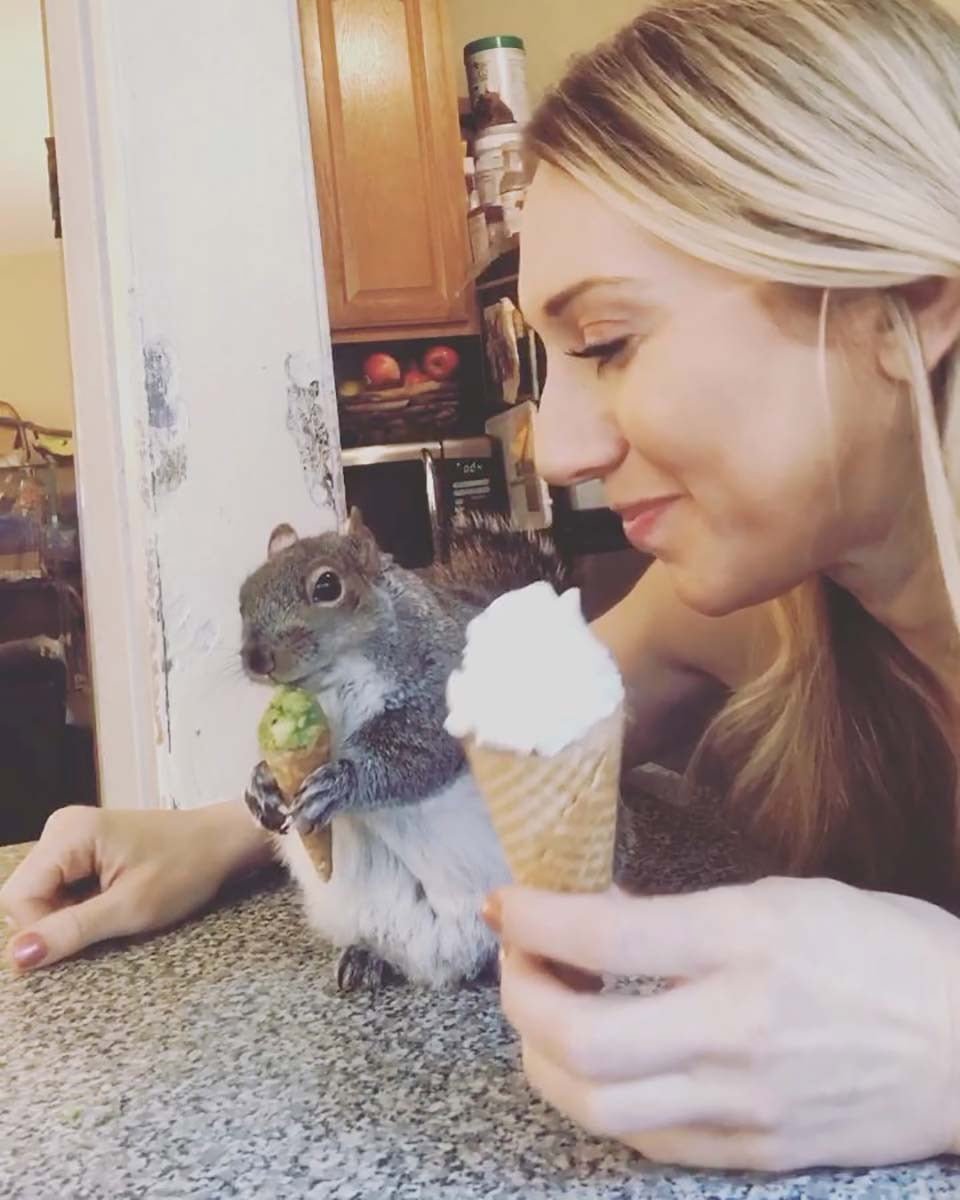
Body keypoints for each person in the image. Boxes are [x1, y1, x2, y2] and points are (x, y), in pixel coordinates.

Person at [4, 0, 960, 1173]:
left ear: (899, 298)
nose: (555, 450)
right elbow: (480, 738)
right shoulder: (761, 617)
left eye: (608, 341)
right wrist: (221, 830)